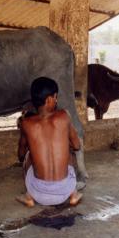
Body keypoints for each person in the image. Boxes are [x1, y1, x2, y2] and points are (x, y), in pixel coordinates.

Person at [16, 77, 82, 207]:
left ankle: (28, 196)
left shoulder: (26, 123)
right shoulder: (64, 116)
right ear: (49, 99)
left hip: (38, 193)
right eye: (55, 97)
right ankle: (74, 194)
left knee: (29, 155)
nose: (56, 100)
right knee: (69, 151)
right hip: (65, 190)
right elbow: (77, 146)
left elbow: (21, 154)